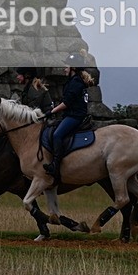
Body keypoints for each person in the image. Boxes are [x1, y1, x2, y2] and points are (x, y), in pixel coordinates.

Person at [42, 53, 95, 182]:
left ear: (73, 68)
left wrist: (51, 111)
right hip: (71, 115)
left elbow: (67, 103)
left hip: (75, 116)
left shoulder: (76, 82)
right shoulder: (73, 81)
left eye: (66, 66)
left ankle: (55, 165)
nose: (64, 69)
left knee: (57, 135)